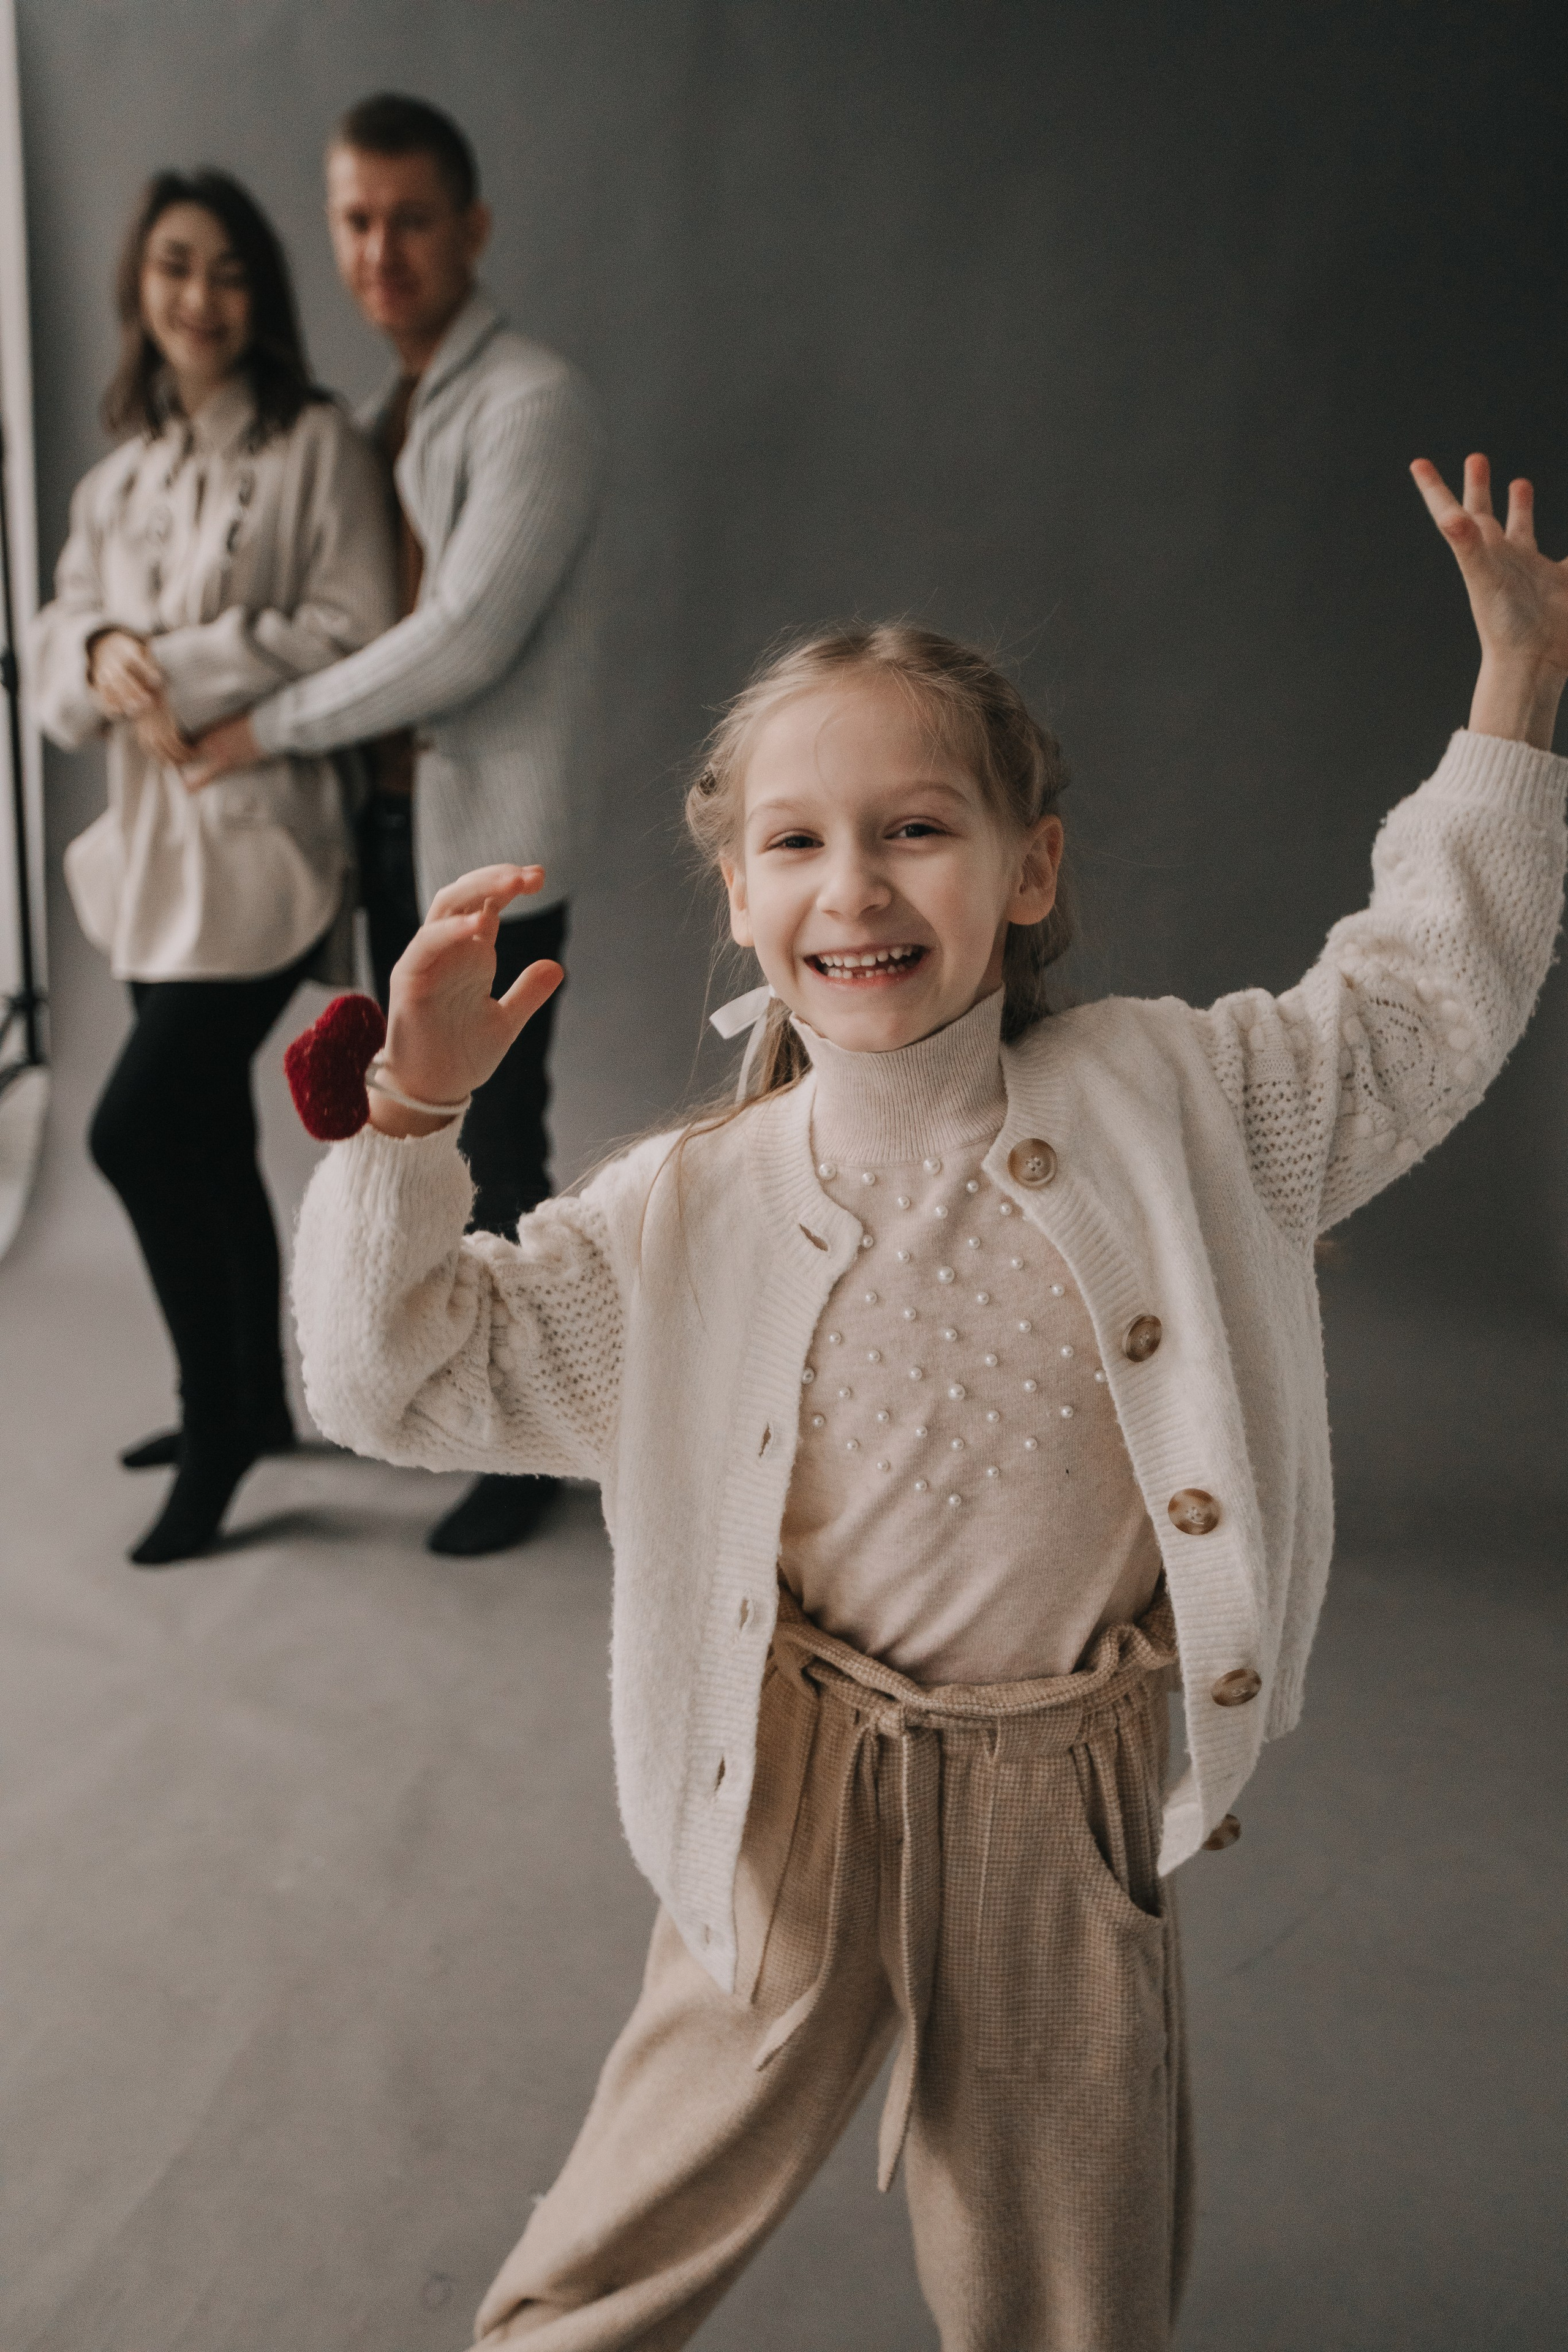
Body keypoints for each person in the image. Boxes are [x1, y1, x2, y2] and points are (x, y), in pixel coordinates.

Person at [289, 453, 1566, 2349]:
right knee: (618, 2242)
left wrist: (1519, 701)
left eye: (918, 829)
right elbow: (389, 1377)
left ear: (1029, 865)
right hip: (791, 1782)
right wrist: (410, 1121)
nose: (856, 887)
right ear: (737, 895)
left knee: (1072, 2284)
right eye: (795, 844)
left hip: (1066, 1798)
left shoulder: (1187, 1107)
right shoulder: (684, 1219)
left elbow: (1419, 1003)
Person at [184, 93, 606, 1559]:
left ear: (471, 227)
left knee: (503, 1127)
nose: (381, 249)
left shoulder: (532, 401)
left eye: (411, 216)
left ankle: (530, 1440)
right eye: (355, 220)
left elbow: (464, 636)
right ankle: (419, 1375)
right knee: (404, 1120)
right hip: (385, 834)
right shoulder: (384, 413)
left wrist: (262, 722)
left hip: (488, 848)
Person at [29, 171, 395, 1567]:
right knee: (204, 1140)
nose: (199, 297)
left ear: (263, 294)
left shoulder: (317, 444)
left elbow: (355, 626)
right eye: (175, 266)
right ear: (141, 284)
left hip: (261, 849)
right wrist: (96, 649)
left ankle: (221, 1422)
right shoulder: (116, 480)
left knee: (133, 1132)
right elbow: (61, 670)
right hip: (147, 864)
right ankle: (253, 1396)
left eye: (230, 269)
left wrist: (174, 657)